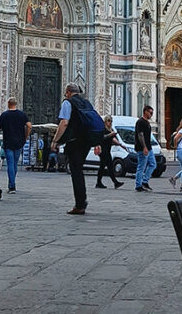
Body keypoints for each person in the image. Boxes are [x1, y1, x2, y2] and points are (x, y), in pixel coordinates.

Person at [50, 83, 90, 215]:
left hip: (74, 142)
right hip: (86, 142)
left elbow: (64, 122)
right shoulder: (86, 103)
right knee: (79, 170)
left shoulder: (68, 103)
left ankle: (80, 204)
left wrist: (55, 141)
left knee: (76, 172)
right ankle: (82, 201)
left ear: (68, 92)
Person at [0, 97, 31, 194]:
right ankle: (12, 183)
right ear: (16, 104)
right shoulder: (22, 115)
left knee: (10, 164)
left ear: (8, 104)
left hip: (8, 142)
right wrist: (26, 136)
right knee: (15, 164)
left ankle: (12, 186)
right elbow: (29, 125)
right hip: (19, 142)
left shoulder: (4, 115)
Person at [95, 116, 125, 189]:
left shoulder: (110, 129)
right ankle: (115, 182)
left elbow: (113, 139)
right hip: (103, 150)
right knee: (109, 166)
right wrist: (110, 135)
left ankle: (99, 182)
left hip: (107, 150)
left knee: (103, 167)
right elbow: (102, 137)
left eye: (111, 121)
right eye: (108, 121)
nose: (110, 122)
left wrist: (120, 144)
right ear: (105, 121)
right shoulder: (103, 129)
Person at [134, 105, 157, 192]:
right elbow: (140, 135)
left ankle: (144, 181)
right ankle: (138, 185)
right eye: (150, 112)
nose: (151, 114)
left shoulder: (147, 122)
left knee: (153, 164)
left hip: (149, 147)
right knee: (141, 167)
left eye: (152, 113)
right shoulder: (140, 122)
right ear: (145, 112)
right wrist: (144, 147)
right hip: (142, 148)